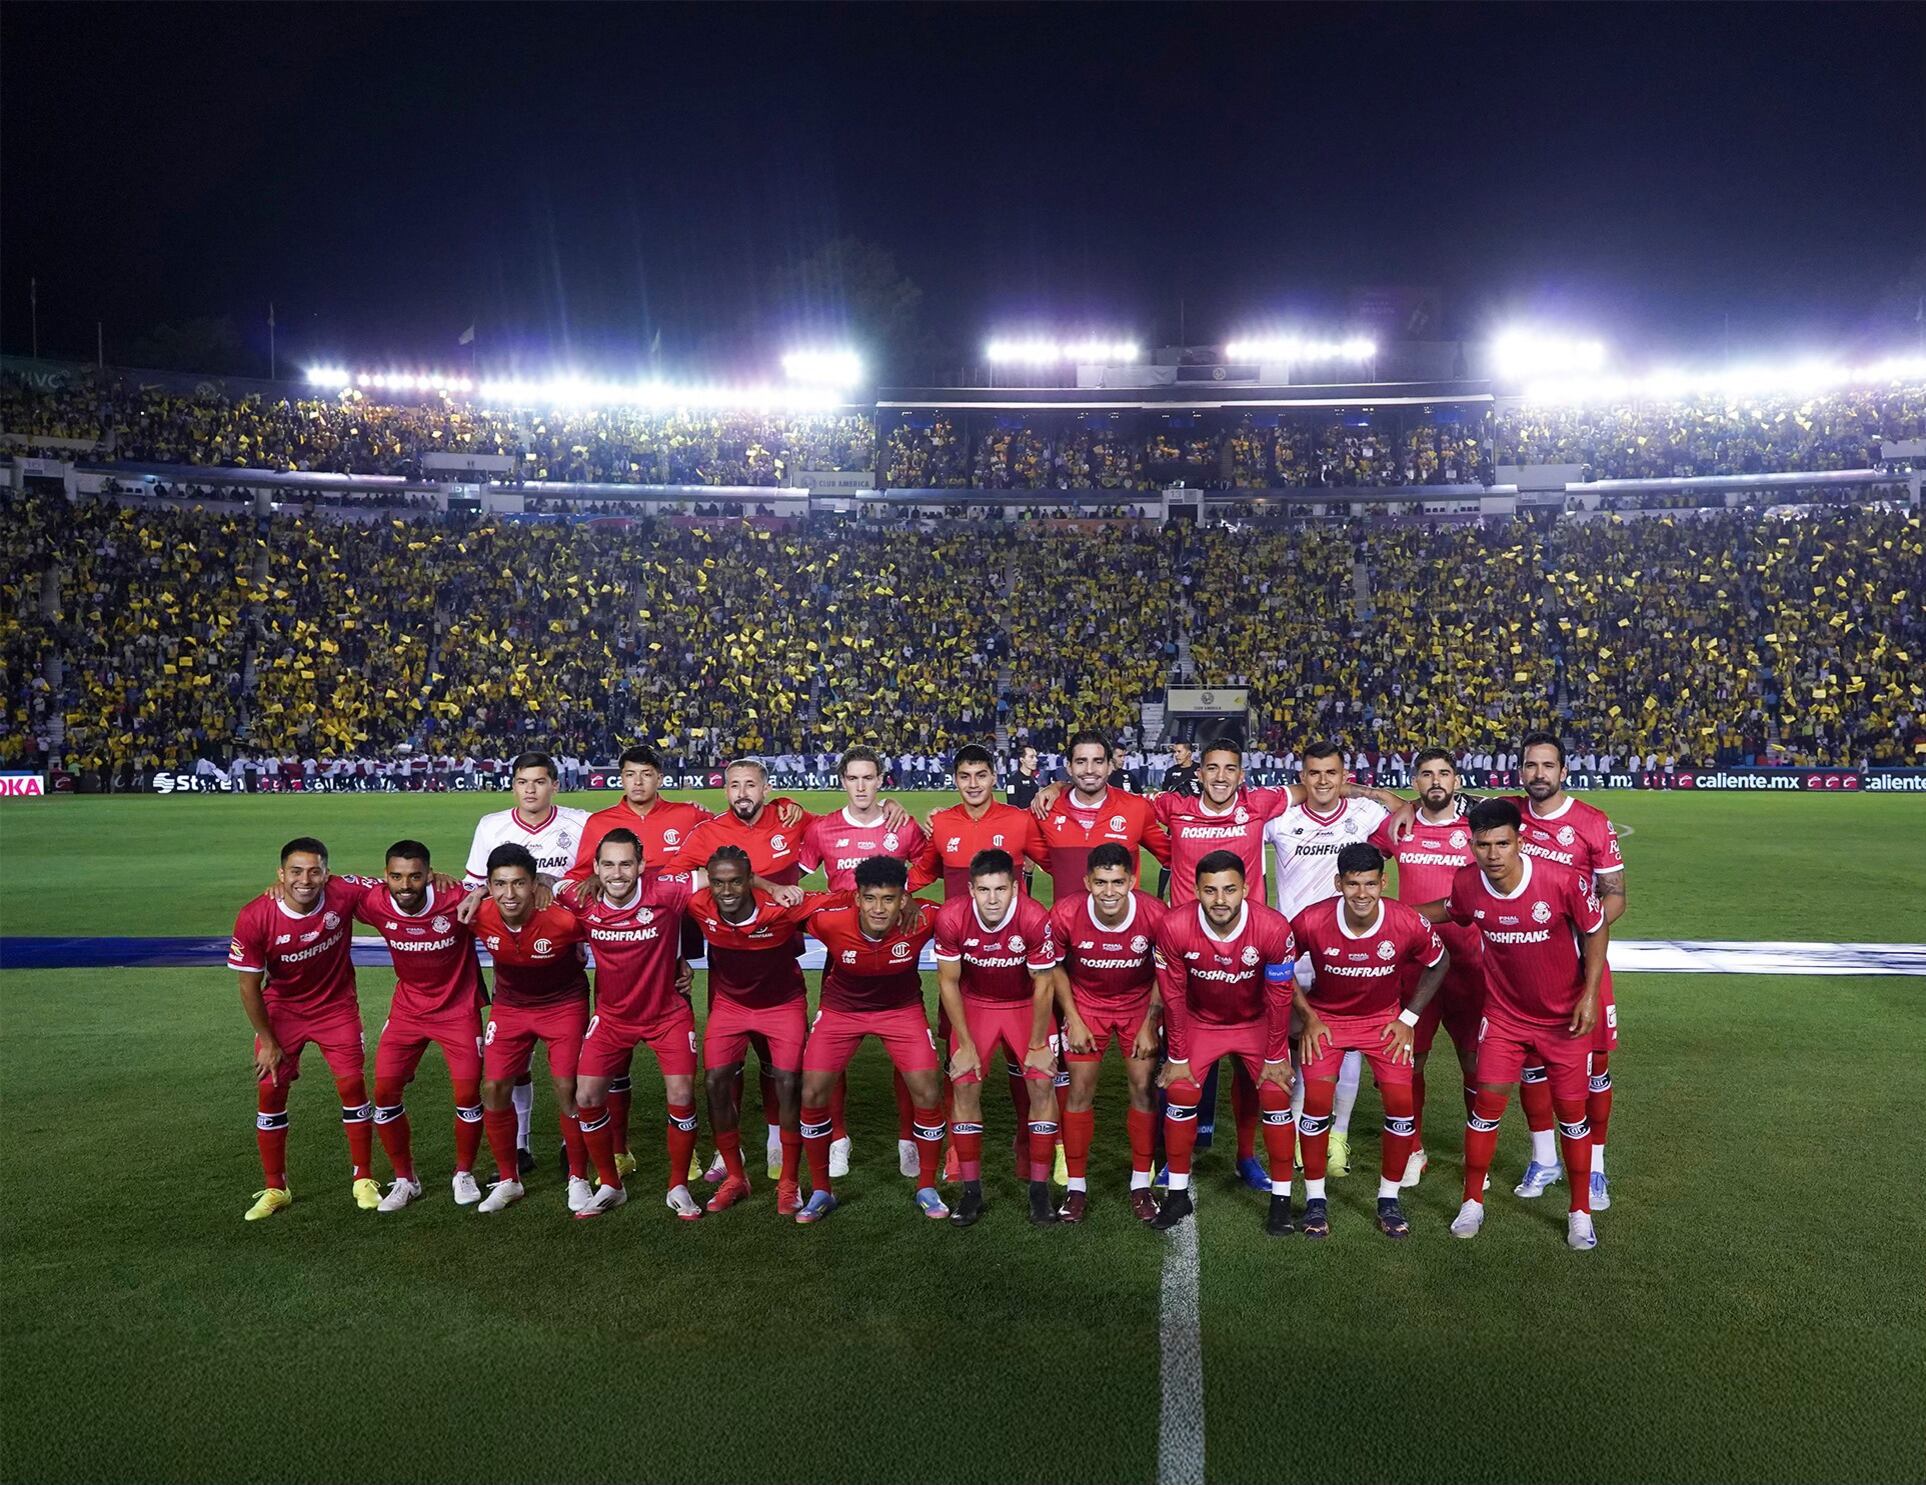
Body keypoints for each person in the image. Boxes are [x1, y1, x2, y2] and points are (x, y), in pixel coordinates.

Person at [1409, 799, 1606, 1251]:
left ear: (1520, 841)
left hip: (1563, 1023)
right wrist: (1398, 911)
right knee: (1485, 1109)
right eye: (1483, 845)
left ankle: (1579, 1213)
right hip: (1503, 1019)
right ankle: (1472, 1202)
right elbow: (1450, 908)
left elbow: (1595, 929)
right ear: (1471, 846)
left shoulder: (1561, 881)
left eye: (1503, 843)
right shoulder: (1468, 884)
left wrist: (1590, 993)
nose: (1493, 854)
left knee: (1573, 1118)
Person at [1289, 844, 1448, 1239]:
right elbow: (1277, 965)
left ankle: (1389, 1198)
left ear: (1383, 883)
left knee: (1400, 1105)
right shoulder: (1311, 920)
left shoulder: (1405, 921)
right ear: (1338, 883)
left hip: (1382, 1023)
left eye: (1370, 884)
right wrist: (1307, 1017)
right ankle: (1315, 1201)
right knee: (1317, 1104)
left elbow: (1440, 961)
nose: (1362, 893)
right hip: (1327, 1020)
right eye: (1353, 884)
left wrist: (1408, 1017)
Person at [1500, 732, 1626, 1210]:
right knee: (1531, 1066)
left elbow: (1615, 894)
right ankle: (1544, 1159)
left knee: (1595, 1068)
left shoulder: (1592, 823)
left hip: (1579, 966)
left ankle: (1594, 1167)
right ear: (1520, 771)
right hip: (1524, 970)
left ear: (1563, 771)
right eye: (1531, 765)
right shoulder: (1507, 813)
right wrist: (1383, 799)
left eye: (1547, 766)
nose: (1539, 774)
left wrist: (1578, 930)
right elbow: (1438, 799)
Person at [1148, 851, 1299, 1233]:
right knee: (1180, 1090)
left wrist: (1277, 1055)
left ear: (1246, 889)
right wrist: (1178, 1055)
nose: (1220, 900)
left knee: (1275, 1093)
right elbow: (1174, 995)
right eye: (1210, 890)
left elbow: (1280, 997)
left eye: (1229, 890)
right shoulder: (1174, 926)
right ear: (1196, 890)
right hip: (1201, 1022)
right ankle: (1177, 1195)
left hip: (1255, 1022)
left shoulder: (1273, 928)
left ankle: (1281, 1201)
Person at [793, 857, 949, 1225]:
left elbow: (968, 918)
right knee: (812, 1090)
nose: (879, 908)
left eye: (889, 899)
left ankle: (926, 1186)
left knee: (927, 1088)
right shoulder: (827, 918)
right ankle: (820, 1190)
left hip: (901, 1010)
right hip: (841, 1010)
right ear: (857, 899)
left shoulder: (925, 917)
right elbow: (775, 908)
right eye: (870, 898)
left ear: (903, 899)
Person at [797, 745, 929, 1179]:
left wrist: (907, 899)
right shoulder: (822, 830)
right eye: (852, 778)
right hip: (843, 953)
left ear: (880, 781)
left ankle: (908, 1139)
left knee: (907, 1057)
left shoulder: (902, 825)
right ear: (842, 781)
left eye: (868, 778)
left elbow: (929, 868)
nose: (860, 786)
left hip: (896, 954)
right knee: (830, 1060)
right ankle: (838, 1139)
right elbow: (792, 878)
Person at [1262, 741, 1392, 1181]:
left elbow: (1405, 811)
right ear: (1302, 776)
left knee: (1347, 1039)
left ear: (1343, 775)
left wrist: (1367, 792)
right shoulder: (1281, 818)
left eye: (1331, 773)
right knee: (1299, 1040)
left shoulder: (1365, 814)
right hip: (1294, 946)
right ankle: (1303, 1129)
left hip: (1348, 945)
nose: (1321, 781)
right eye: (1313, 773)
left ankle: (1336, 1135)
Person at [456, 751, 590, 1177]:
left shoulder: (581, 823)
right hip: (513, 959)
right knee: (514, 1069)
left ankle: (581, 1150)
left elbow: (597, 875)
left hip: (563, 948)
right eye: (522, 782)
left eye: (539, 781)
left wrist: (553, 884)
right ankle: (519, 1147)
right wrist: (478, 894)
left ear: (554, 785)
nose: (530, 789)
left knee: (570, 1077)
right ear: (513, 786)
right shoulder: (490, 826)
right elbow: (474, 885)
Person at [561, 828, 705, 1221]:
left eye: (626, 863)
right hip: (611, 1018)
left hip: (668, 1015)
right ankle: (610, 1183)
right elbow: (537, 886)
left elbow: (728, 874)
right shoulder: (578, 896)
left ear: (642, 866)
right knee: (586, 1096)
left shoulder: (667, 889)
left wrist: (773, 888)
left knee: (681, 1092)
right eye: (608, 864)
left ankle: (678, 1186)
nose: (617, 873)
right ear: (595, 868)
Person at [227, 837, 375, 1221]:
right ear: (280, 874)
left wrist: (439, 878)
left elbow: (398, 884)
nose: (304, 880)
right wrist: (268, 1041)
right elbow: (248, 987)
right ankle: (276, 1187)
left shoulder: (342, 892)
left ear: (326, 873)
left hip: (336, 1007)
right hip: (283, 1009)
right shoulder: (255, 916)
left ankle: (363, 1178)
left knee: (352, 1085)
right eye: (295, 872)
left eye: (313, 871)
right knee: (270, 1089)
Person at [686, 845, 828, 1216]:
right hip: (731, 1006)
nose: (727, 891)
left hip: (782, 1005)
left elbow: (843, 899)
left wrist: (905, 902)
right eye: (718, 882)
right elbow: (651, 891)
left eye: (736, 881)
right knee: (715, 1082)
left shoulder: (782, 908)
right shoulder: (699, 905)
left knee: (787, 1082)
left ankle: (790, 1183)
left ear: (751, 881)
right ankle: (736, 1177)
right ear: (709, 884)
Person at [1367, 748, 1485, 1186]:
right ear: (1415, 781)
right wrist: (1399, 807)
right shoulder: (1399, 827)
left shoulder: (1475, 828)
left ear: (1456, 780)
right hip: (1415, 965)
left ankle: (1478, 1149)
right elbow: (1366, 864)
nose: (1436, 781)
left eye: (1444, 773)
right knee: (1410, 1058)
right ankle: (1413, 1147)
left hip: (1469, 964)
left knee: (1473, 1060)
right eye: (1427, 774)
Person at [349, 841, 487, 1210]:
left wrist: (484, 888)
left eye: (415, 876)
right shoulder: (375, 901)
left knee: (468, 1095)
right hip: (408, 1012)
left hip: (458, 1011)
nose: (405, 885)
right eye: (396, 876)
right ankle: (406, 1180)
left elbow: (497, 888)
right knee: (385, 1093)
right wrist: (280, 887)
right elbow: (328, 884)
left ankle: (464, 1173)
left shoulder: (455, 896)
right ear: (385, 877)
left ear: (430, 874)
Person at [935, 849, 1062, 1227]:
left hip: (1026, 1006)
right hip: (977, 1006)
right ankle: (971, 1191)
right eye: (984, 890)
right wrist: (965, 1042)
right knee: (964, 1083)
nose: (992, 899)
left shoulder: (1035, 916)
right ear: (971, 889)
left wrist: (1038, 1045)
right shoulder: (952, 917)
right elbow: (948, 981)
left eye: (1001, 889)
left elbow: (1044, 984)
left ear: (1016, 888)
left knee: (1041, 1085)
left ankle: (1039, 1191)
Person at [470, 845, 593, 1215]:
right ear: (488, 885)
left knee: (568, 1087)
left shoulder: (564, 919)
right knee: (492, 1087)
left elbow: (609, 929)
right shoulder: (478, 912)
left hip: (564, 1004)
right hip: (509, 1007)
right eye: (500, 884)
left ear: (533, 882)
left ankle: (578, 1177)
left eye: (519, 884)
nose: (510, 894)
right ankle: (509, 1180)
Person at [1050, 842, 1166, 1223]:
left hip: (1137, 1008)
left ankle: (1140, 1185)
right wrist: (1074, 1017)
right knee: (1080, 1091)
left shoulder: (1153, 914)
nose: (1110, 891)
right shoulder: (1066, 913)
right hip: (1087, 1007)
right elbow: (1054, 967)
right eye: (1101, 882)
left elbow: (1166, 973)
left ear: (1132, 880)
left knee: (1143, 1089)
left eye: (1118, 882)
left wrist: (1150, 1023)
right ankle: (1076, 1189)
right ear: (1087, 881)